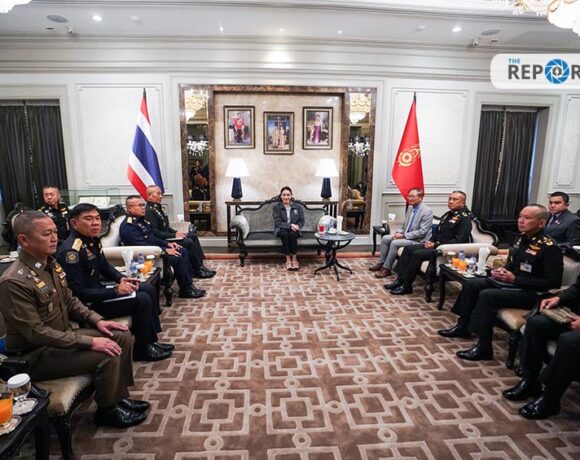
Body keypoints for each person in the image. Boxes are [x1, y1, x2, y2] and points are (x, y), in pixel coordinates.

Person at [0, 211, 149, 428]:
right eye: (46, 234)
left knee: (120, 334)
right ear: (24, 240)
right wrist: (90, 342)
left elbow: (70, 301)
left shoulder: (50, 264)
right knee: (106, 354)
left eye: (54, 232)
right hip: (36, 354)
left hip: (63, 337)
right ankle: (107, 411)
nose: (54, 238)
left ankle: (118, 397)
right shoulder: (14, 282)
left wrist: (97, 321)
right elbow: (36, 332)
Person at [438, 204, 563, 361]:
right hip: (513, 284)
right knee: (472, 284)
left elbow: (553, 283)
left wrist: (515, 279)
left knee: (487, 295)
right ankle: (462, 326)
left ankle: (484, 347)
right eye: (520, 217)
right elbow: (513, 264)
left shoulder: (549, 247)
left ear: (541, 223)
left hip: (532, 293)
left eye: (527, 218)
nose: (521, 221)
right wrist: (501, 271)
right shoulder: (522, 238)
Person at [57, 203, 173, 362]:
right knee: (143, 299)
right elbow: (78, 294)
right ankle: (142, 350)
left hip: (99, 292)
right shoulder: (71, 252)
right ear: (74, 223)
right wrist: (116, 291)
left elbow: (104, 266)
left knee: (146, 288)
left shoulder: (91, 240)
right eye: (88, 219)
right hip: (88, 305)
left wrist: (121, 278)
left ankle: (151, 341)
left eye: (97, 218)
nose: (95, 223)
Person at [502, 273, 580, 419]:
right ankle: (530, 381)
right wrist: (558, 298)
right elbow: (577, 287)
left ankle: (550, 399)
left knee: (569, 341)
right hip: (575, 316)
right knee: (536, 324)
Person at [385, 190, 472, 295]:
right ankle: (399, 280)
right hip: (436, 245)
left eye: (455, 199)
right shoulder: (448, 215)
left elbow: (459, 241)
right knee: (408, 249)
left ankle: (407, 285)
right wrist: (430, 241)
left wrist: (435, 245)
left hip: (446, 249)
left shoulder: (465, 219)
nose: (450, 201)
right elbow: (438, 232)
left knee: (417, 254)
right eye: (450, 199)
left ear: (463, 202)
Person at [120, 195, 205, 299]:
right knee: (178, 255)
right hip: (144, 256)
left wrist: (167, 244)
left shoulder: (141, 221)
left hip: (154, 249)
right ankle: (186, 289)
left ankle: (188, 286)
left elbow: (152, 238)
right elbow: (142, 246)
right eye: (140, 205)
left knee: (182, 250)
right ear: (129, 208)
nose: (143, 208)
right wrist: (164, 251)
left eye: (143, 205)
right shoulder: (129, 226)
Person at [145, 185, 215, 279]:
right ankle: (197, 270)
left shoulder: (158, 208)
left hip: (167, 236)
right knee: (188, 242)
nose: (161, 196)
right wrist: (174, 235)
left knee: (192, 236)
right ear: (150, 196)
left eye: (161, 193)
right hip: (163, 240)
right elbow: (156, 233)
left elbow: (166, 227)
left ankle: (200, 266)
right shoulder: (149, 211)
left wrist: (177, 232)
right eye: (158, 194)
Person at [369, 188, 433, 278]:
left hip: (418, 240)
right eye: (409, 196)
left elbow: (422, 232)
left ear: (420, 198)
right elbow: (405, 225)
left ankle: (386, 269)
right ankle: (381, 263)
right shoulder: (410, 208)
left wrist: (403, 236)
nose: (409, 198)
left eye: (412, 196)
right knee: (386, 238)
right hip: (407, 236)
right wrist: (397, 233)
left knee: (395, 243)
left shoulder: (427, 211)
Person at [272, 186, 304, 271]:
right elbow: (278, 223)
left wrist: (297, 226)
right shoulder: (276, 207)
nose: (286, 197)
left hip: (294, 229)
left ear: (291, 196)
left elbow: (301, 220)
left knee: (292, 235)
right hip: (281, 229)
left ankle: (294, 258)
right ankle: (288, 259)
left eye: (288, 195)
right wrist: (291, 225)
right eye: (284, 195)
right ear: (281, 196)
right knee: (285, 234)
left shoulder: (298, 207)